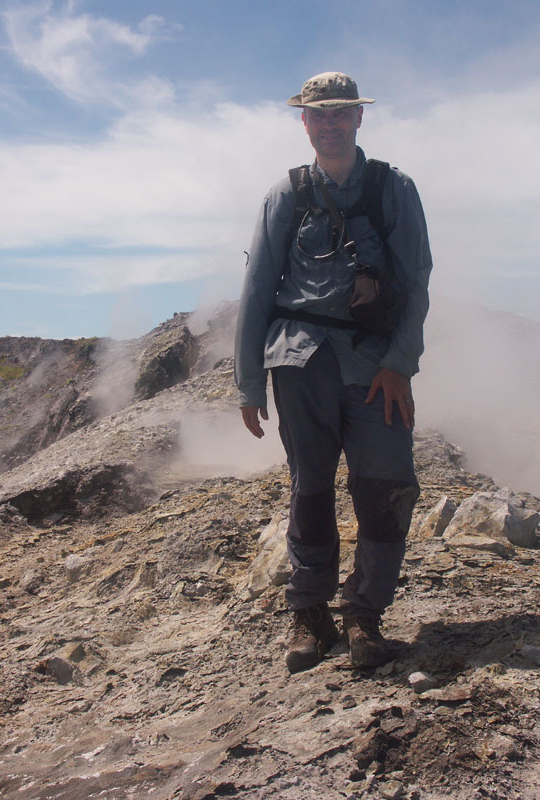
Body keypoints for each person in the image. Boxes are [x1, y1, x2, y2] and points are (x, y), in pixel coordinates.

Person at [234, 72, 432, 673]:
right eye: (318, 115)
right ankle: (310, 614)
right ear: (304, 122)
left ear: (358, 118)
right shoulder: (284, 195)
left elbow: (416, 280)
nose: (329, 124)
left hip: (375, 366)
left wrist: (400, 363)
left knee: (385, 487)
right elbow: (257, 290)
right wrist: (247, 382)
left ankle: (364, 615)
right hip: (299, 363)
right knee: (310, 489)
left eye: (340, 113)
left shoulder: (393, 188)